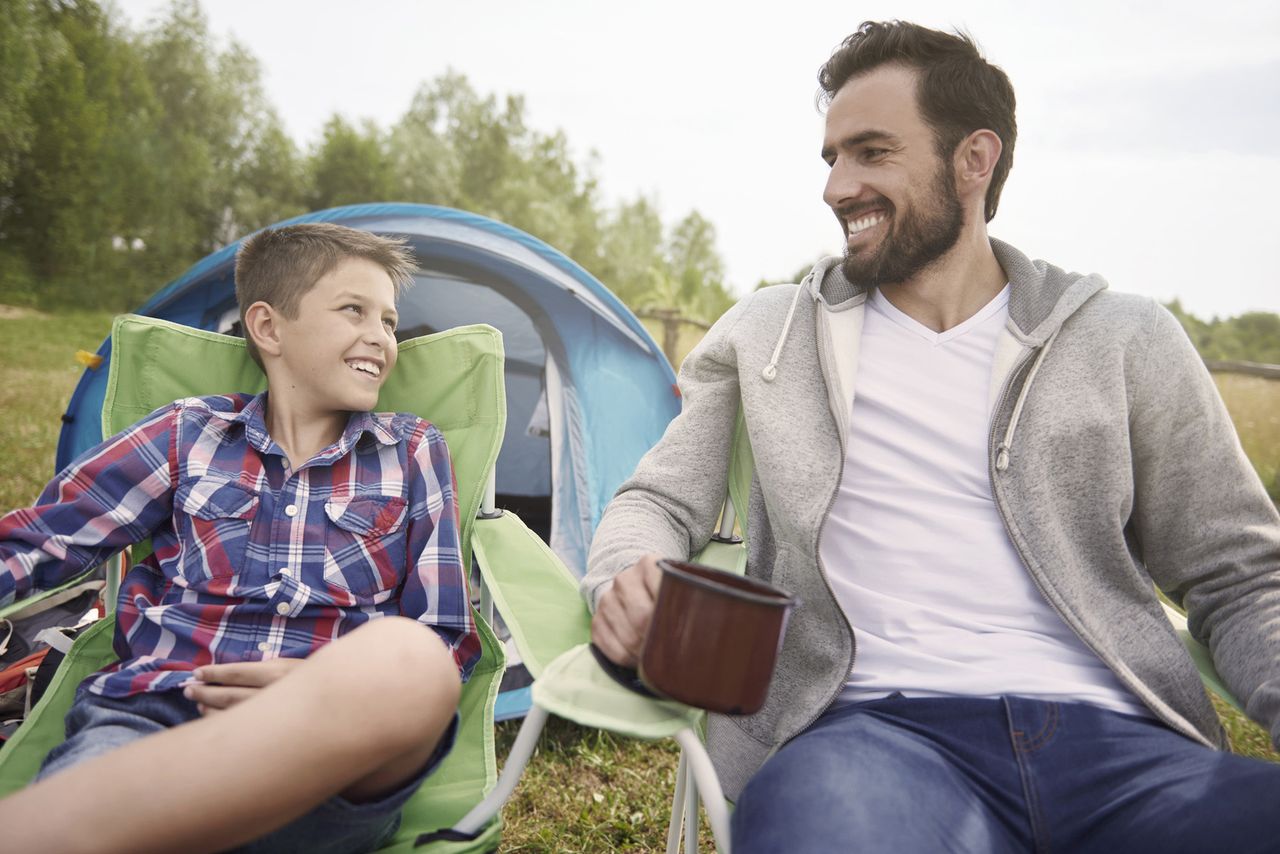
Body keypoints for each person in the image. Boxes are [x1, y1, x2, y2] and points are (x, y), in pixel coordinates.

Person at [584, 20, 1280, 853]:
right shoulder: (769, 333)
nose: (838, 186)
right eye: (832, 157)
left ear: (975, 160)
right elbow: (657, 499)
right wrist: (627, 576)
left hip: (1124, 746)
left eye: (872, 152)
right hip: (872, 743)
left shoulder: (1124, 339)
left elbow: (1238, 574)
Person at [0, 222, 480, 853]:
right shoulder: (188, 433)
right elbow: (44, 539)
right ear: (269, 327)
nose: (382, 338)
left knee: (412, 660)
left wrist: (322, 695)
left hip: (326, 756)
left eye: (390, 321)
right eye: (354, 310)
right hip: (159, 717)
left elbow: (444, 632)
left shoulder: (412, 449)